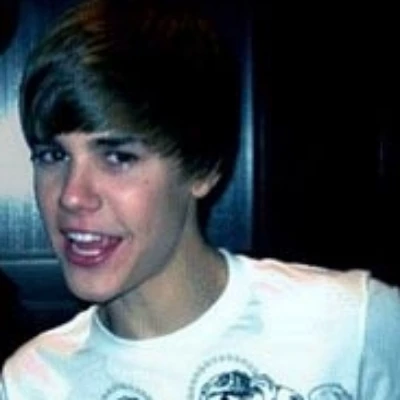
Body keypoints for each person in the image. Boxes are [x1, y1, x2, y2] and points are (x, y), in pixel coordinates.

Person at [1, 0, 400, 398]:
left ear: (202, 168)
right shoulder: (30, 383)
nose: (72, 196)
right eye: (52, 156)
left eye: (118, 157)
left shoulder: (353, 327)